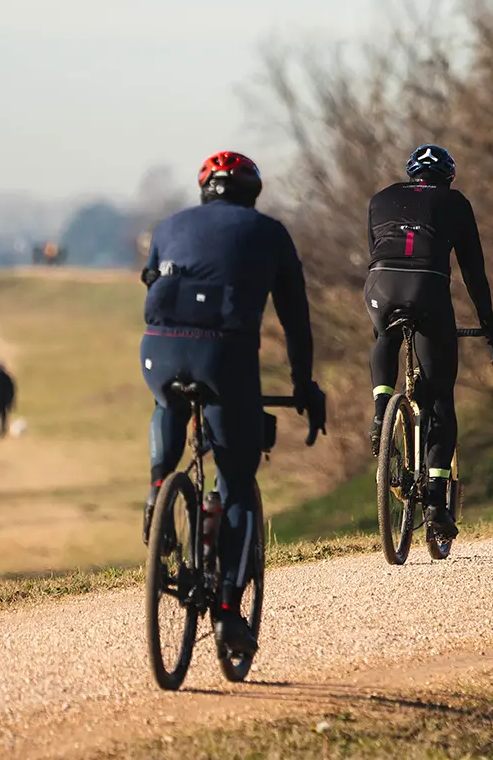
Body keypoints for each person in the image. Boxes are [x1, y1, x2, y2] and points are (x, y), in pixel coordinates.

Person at [139, 151, 327, 656]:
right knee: (238, 481)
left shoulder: (168, 225)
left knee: (168, 406)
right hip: (224, 356)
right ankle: (226, 613)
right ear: (253, 194)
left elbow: (151, 280)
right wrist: (303, 384)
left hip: (157, 350)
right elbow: (296, 321)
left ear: (204, 191)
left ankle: (159, 489)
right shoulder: (270, 233)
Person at [365, 144, 493, 542]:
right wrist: (488, 322)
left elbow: (377, 251)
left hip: (380, 285)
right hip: (427, 289)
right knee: (440, 396)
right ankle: (436, 504)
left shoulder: (380, 198)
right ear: (448, 178)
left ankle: (380, 410)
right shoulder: (455, 202)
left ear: (411, 175)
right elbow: (472, 270)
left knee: (384, 333)